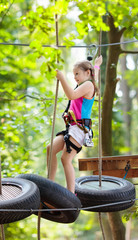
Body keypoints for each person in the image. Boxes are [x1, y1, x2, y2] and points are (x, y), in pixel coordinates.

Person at [47, 55, 103, 193]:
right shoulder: (86, 84)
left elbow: (71, 95)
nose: (75, 77)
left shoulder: (88, 85)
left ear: (87, 73)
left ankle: (71, 192)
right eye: (73, 75)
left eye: (77, 73)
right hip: (72, 127)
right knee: (50, 149)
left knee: (66, 159)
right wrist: (97, 65)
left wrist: (61, 78)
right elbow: (94, 77)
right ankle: (50, 183)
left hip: (80, 129)